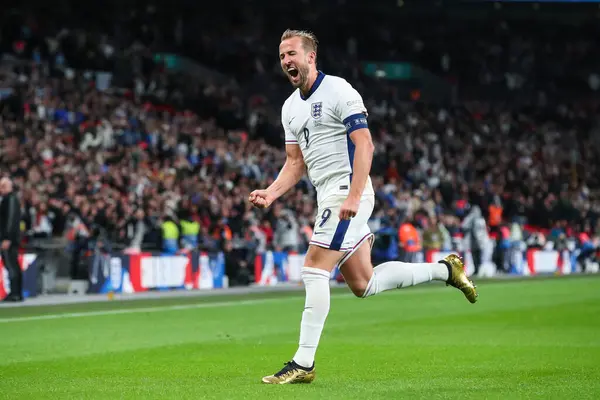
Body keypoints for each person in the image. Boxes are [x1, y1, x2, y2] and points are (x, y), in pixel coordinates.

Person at [248, 29, 478, 385]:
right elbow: (295, 163)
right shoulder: (290, 108)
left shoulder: (339, 90)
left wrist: (354, 196)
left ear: (311, 57)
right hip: (328, 196)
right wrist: (272, 192)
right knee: (363, 283)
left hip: (347, 192)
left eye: (291, 53)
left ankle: (303, 363)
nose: (286, 61)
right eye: (281, 56)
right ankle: (446, 270)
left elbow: (365, 144)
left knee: (313, 268)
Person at [0, 177, 23, 302]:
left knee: (11, 264)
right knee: (13, 264)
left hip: (9, 239)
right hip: (11, 238)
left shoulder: (10, 199)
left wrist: (7, 237)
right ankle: (17, 292)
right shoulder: (11, 199)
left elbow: (10, 219)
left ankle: (15, 293)